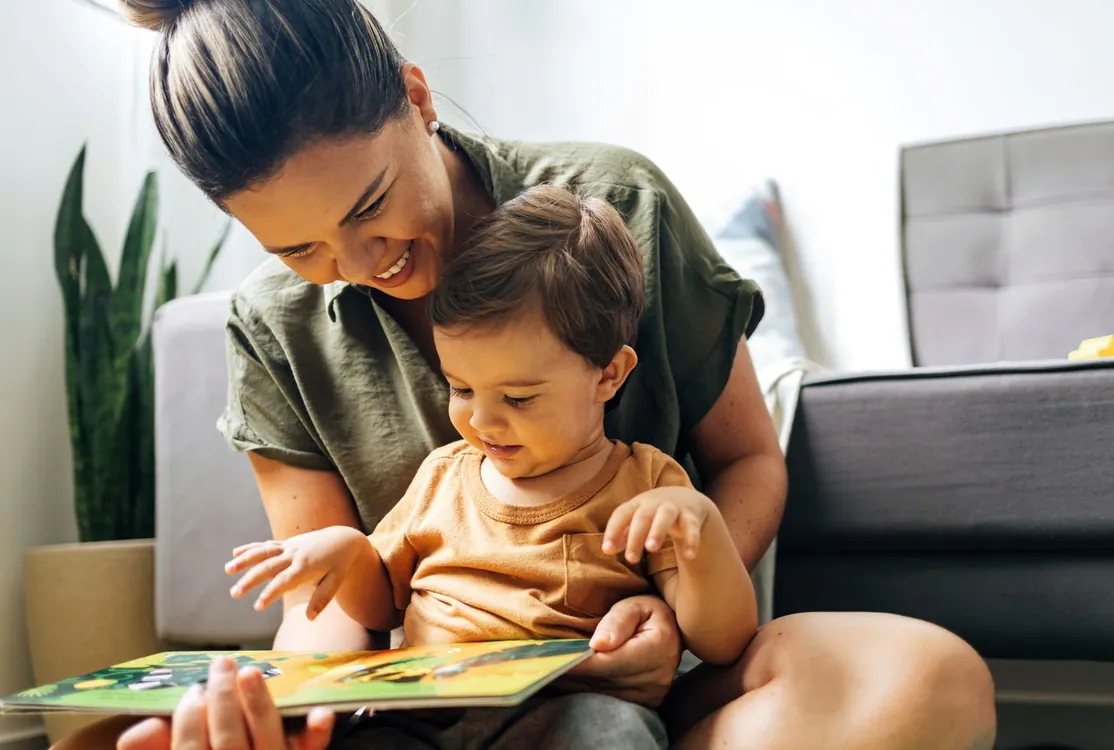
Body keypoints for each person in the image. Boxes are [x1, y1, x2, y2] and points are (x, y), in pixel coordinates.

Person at [58, 0, 997, 747]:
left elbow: (750, 461)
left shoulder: (616, 205)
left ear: (416, 97)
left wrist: (668, 607)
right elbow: (333, 602)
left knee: (930, 680)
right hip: (427, 703)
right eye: (299, 247)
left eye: (372, 204)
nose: (359, 260)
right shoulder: (271, 324)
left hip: (637, 684)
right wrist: (294, 713)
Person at [222, 185, 759, 747]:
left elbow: (723, 640)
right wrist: (346, 553)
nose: (482, 421)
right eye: (461, 388)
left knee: (612, 731)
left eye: (519, 398)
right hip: (422, 717)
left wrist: (700, 525)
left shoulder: (646, 486)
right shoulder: (443, 476)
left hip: (558, 714)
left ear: (609, 375)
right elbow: (383, 601)